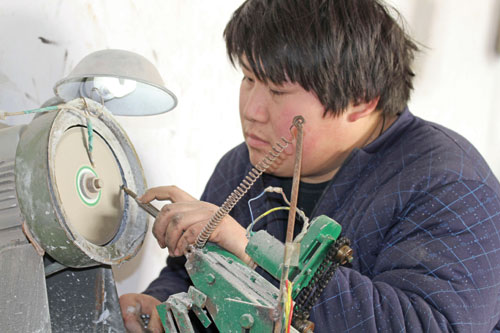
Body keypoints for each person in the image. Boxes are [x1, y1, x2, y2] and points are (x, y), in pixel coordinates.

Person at [120, 0, 500, 331]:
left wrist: (253, 252)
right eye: (249, 79)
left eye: (278, 91)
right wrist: (161, 305)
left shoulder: (451, 185)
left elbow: (430, 325)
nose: (251, 111)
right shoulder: (243, 165)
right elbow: (189, 273)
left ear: (362, 99)